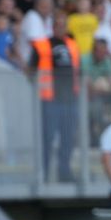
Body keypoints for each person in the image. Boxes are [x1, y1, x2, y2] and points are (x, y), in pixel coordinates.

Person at [29, 10, 80, 183]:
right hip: (50, 99)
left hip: (69, 99)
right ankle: (43, 173)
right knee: (48, 138)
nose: (60, 27)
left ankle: (64, 172)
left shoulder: (72, 45)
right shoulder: (42, 45)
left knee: (68, 138)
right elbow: (30, 70)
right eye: (57, 24)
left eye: (63, 24)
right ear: (52, 26)